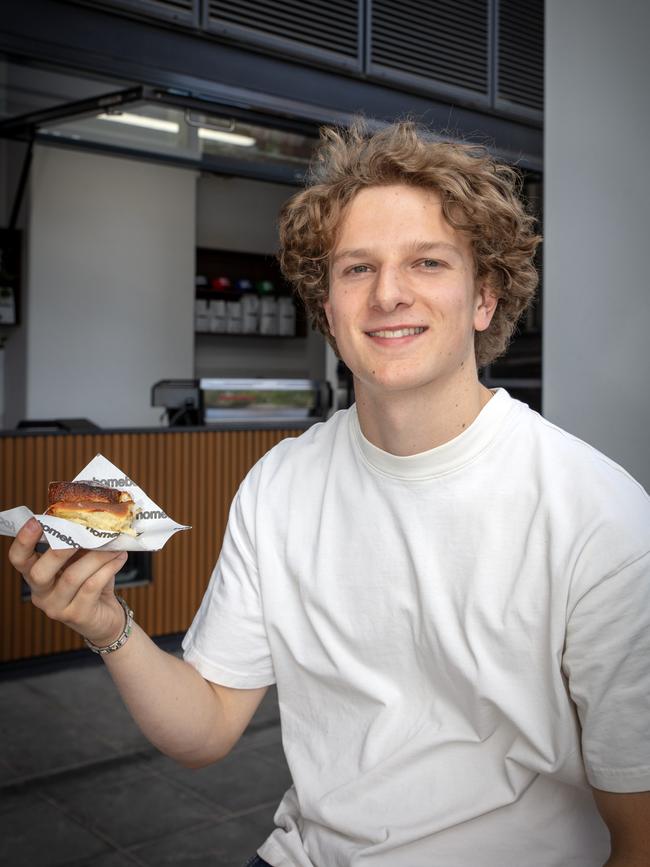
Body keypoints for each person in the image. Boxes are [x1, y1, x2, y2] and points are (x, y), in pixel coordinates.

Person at [9, 121, 650, 867]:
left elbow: (638, 837)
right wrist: (107, 623)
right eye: (356, 269)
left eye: (428, 262)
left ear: (484, 298)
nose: (388, 293)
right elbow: (208, 726)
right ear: (328, 309)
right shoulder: (282, 483)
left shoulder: (598, 515)